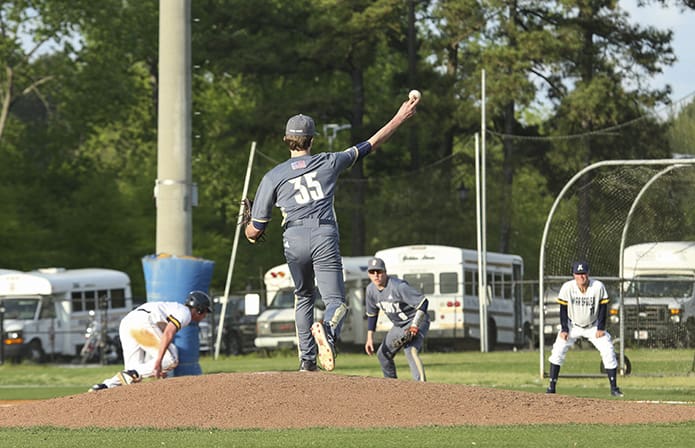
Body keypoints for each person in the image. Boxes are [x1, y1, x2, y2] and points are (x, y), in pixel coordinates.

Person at [244, 95, 420, 372]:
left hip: (293, 238)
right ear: (312, 140)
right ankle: (327, 329)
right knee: (336, 302)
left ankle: (307, 360)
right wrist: (399, 117)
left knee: (303, 295)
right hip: (323, 234)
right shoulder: (328, 162)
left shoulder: (272, 177)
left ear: (286, 140)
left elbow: (254, 232)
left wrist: (246, 226)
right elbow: (370, 144)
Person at [89, 290, 212, 391]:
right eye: (205, 311)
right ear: (199, 309)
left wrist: (158, 367)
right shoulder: (185, 314)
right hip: (143, 322)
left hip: (128, 322)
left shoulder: (174, 308)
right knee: (171, 359)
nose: (205, 315)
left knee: (132, 377)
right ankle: (133, 373)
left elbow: (156, 340)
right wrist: (159, 362)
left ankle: (104, 386)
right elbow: (168, 334)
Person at [546, 261, 624, 397]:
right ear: (574, 275)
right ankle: (551, 387)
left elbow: (603, 308)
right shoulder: (567, 287)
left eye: (584, 274)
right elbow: (563, 310)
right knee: (557, 350)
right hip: (572, 325)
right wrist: (564, 329)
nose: (582, 277)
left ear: (588, 274)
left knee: (608, 350)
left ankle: (614, 388)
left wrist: (601, 328)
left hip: (593, 326)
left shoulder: (597, 286)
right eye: (578, 274)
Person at [364, 257, 429, 381]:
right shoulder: (370, 290)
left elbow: (423, 302)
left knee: (410, 350)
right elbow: (372, 314)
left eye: (379, 271)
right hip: (399, 325)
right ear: (368, 274)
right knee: (382, 354)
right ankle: (392, 387)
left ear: (385, 272)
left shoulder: (398, 287)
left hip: (417, 319)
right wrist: (369, 339)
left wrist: (415, 325)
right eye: (372, 272)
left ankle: (421, 387)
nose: (376, 275)